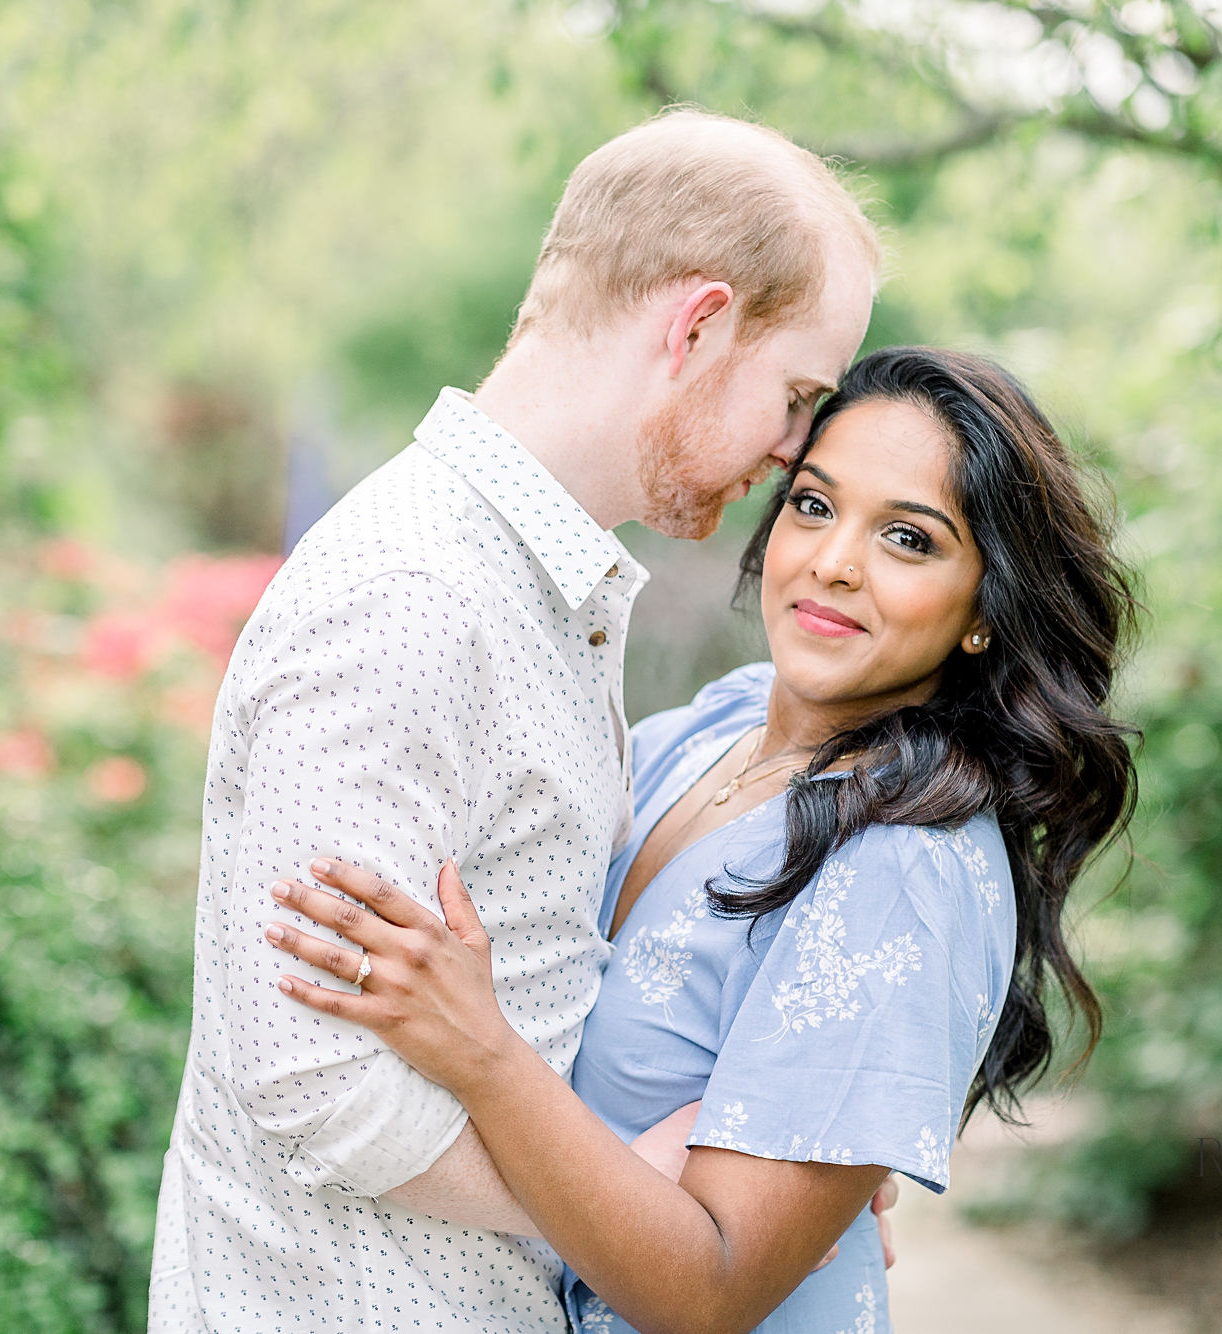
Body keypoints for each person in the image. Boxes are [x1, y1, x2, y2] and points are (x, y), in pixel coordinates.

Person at [146, 109, 881, 1333]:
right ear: (696, 325)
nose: (792, 449)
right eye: (797, 395)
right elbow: (316, 1081)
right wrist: (653, 1203)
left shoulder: (530, 592)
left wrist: (769, 1194)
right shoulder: (414, 600)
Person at [263, 346, 1140, 1333]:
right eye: (812, 504)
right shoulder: (714, 726)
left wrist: (482, 1053)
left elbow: (710, 1289)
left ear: (985, 608)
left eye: (905, 537)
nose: (832, 560)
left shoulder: (904, 862)